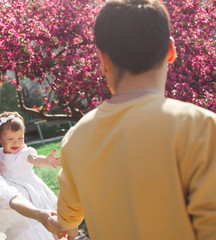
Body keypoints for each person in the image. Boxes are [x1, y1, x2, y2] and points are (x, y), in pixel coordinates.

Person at [57, 0, 216, 240]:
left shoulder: (76, 138)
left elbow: (67, 216)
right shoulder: (201, 127)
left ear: (102, 59)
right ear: (171, 51)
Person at [0, 111, 61, 214]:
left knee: (40, 212)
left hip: (29, 188)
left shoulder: (24, 153)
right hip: (11, 190)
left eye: (20, 138)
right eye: (10, 139)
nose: (16, 142)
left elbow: (34, 158)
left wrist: (45, 160)